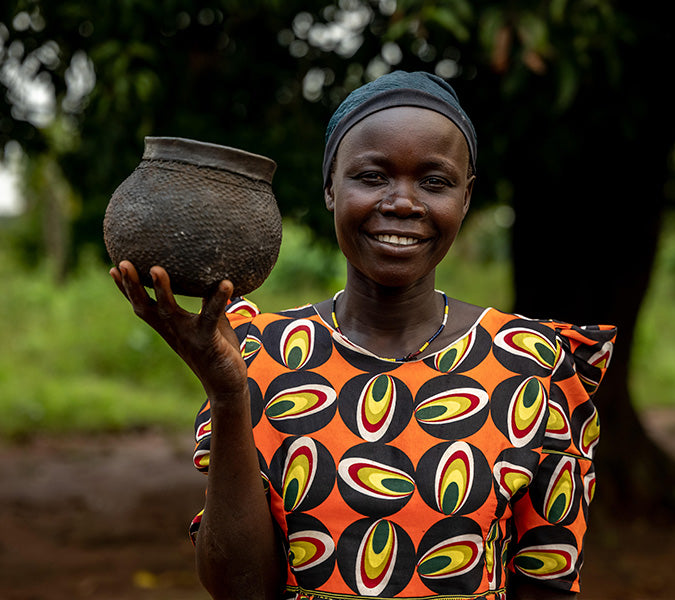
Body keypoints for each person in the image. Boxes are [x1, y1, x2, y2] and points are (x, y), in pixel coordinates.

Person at [110, 70, 616, 600]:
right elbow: (240, 590)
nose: (402, 202)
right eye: (372, 177)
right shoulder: (259, 355)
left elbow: (548, 583)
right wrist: (228, 394)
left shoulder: (533, 366)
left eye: (434, 182)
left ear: (466, 199)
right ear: (331, 187)